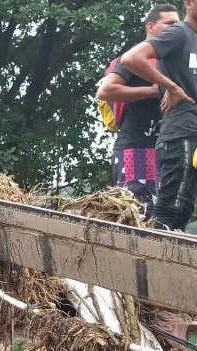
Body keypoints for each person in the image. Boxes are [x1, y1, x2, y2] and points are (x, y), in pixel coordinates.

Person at [97, 5, 180, 211]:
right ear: (150, 27)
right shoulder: (133, 58)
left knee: (163, 219)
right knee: (136, 214)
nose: (175, 29)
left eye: (178, 25)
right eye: (169, 23)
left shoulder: (175, 62)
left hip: (167, 151)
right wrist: (154, 90)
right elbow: (105, 91)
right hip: (135, 148)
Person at [124, 0, 197, 231]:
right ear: (189, 3)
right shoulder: (179, 32)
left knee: (184, 210)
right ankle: (147, 262)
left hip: (193, 130)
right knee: (168, 210)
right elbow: (132, 58)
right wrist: (171, 87)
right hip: (181, 128)